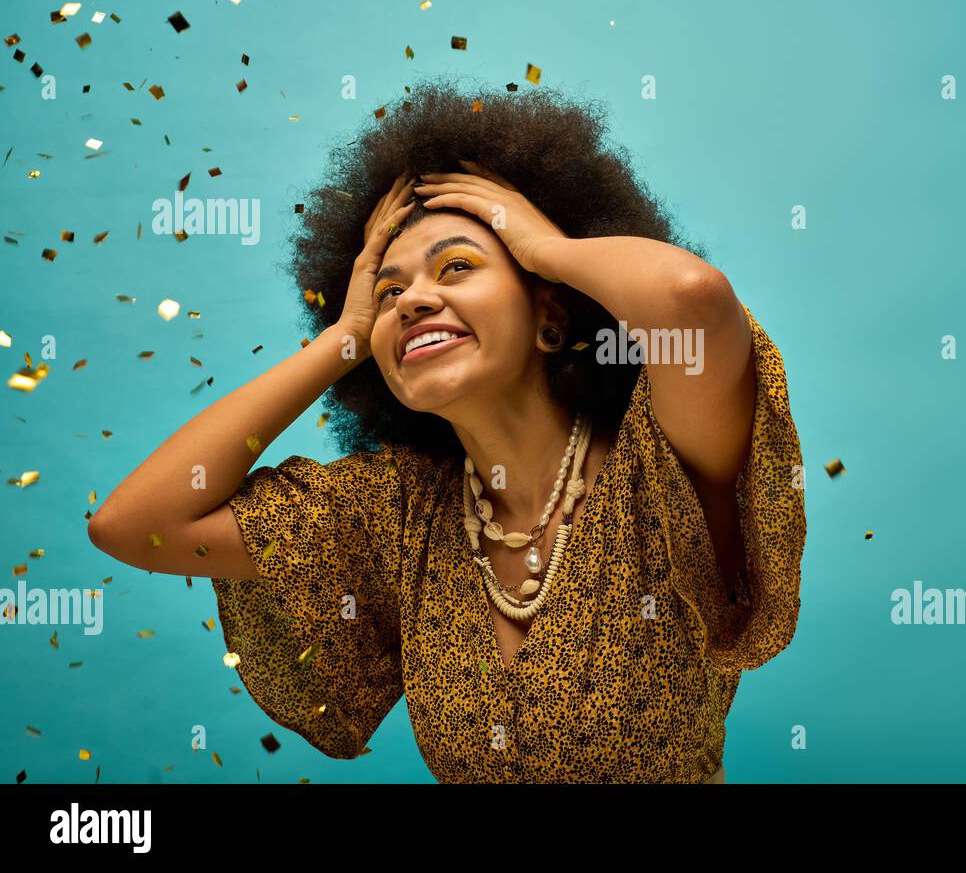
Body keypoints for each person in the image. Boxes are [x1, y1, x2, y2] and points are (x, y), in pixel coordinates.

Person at [88, 78, 806, 783]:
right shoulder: (397, 514)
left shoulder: (661, 468)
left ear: (551, 315)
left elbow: (692, 300)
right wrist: (344, 338)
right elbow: (134, 524)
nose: (415, 300)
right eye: (388, 291)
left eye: (456, 267)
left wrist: (546, 248)